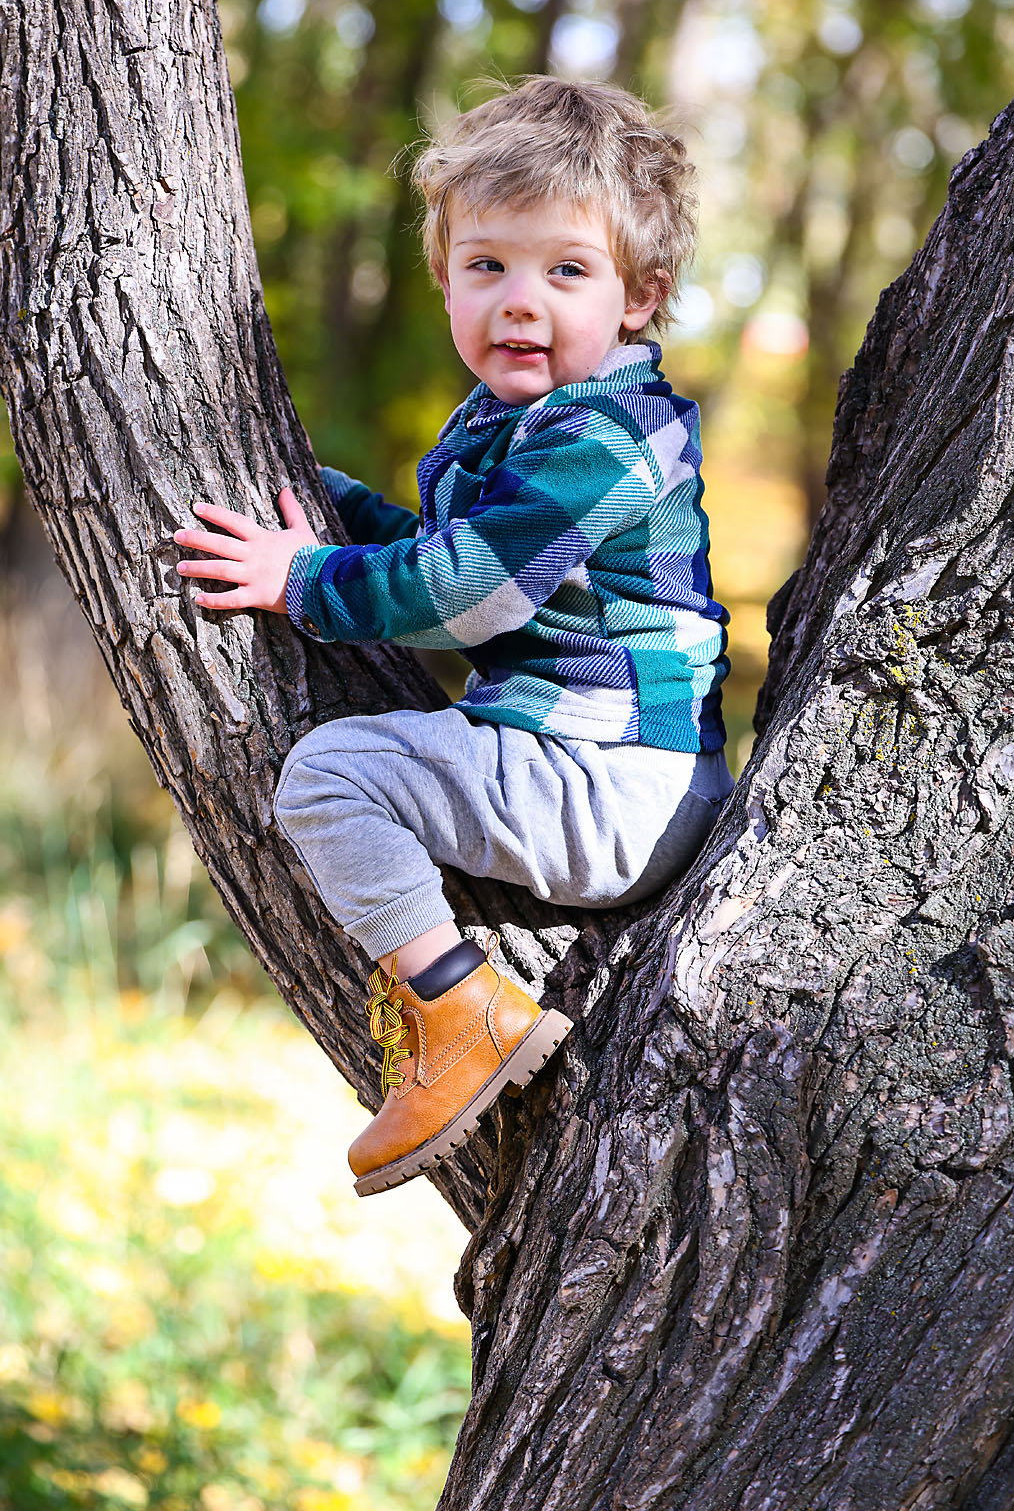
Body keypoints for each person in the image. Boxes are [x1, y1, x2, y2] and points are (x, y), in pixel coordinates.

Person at [172, 76, 733, 1198]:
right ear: (442, 281)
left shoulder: (605, 436)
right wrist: (338, 524)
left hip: (612, 784)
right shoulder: (517, 417)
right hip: (588, 768)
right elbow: (451, 548)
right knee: (362, 751)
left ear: (640, 295)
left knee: (333, 776)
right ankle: (457, 998)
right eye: (486, 267)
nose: (518, 301)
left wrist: (307, 581)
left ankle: (457, 1007)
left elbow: (469, 594)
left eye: (564, 271)